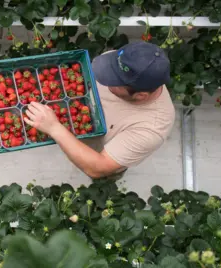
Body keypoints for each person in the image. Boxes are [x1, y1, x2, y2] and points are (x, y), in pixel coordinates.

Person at [24, 42, 175, 181]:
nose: (105, 81)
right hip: (78, 120)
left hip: (97, 155)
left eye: (113, 82)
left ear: (140, 95)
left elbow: (97, 168)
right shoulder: (118, 61)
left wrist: (54, 128)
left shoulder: (152, 128)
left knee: (104, 178)